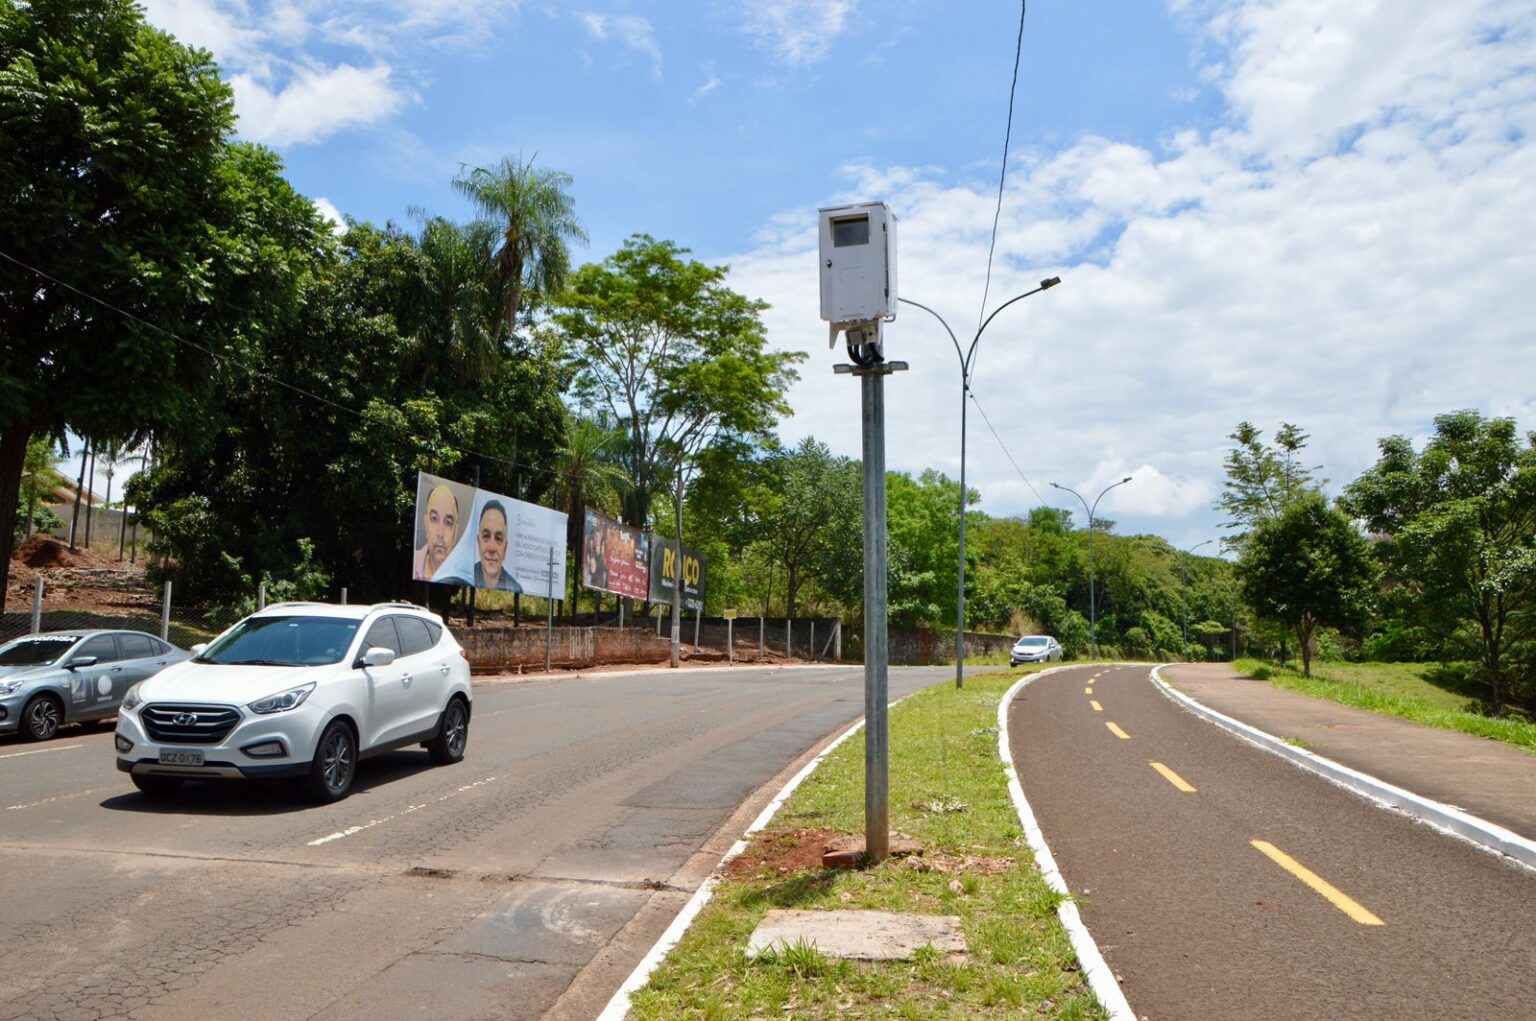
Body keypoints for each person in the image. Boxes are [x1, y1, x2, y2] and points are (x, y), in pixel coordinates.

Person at [412, 484, 459, 582]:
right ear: (426, 523)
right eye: (434, 519)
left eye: (448, 522)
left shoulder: (464, 574)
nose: (440, 533)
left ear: (455, 532)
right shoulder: (413, 561)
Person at [471, 500, 521, 592]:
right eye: (486, 536)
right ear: (478, 542)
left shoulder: (515, 587)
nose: (492, 548)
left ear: (505, 548)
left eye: (498, 538)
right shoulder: (466, 577)